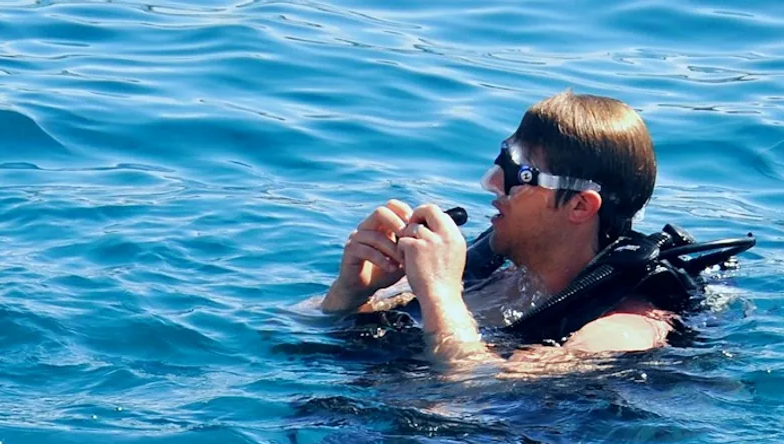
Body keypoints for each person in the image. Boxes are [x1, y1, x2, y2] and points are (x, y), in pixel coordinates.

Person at [317, 92, 741, 378]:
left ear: (580, 206)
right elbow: (291, 325)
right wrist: (350, 291)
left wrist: (440, 294)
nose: (490, 182)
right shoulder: (496, 277)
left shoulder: (627, 328)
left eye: (518, 175)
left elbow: (480, 389)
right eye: (500, 161)